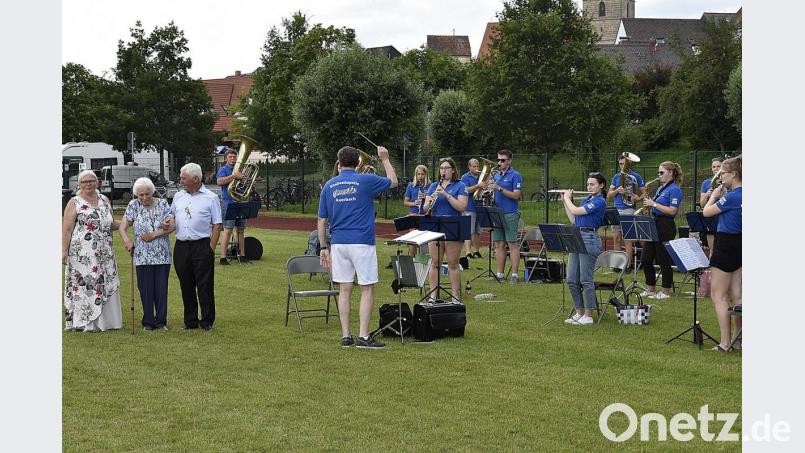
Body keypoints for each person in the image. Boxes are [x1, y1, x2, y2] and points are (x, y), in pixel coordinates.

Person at [318, 145, 397, 349]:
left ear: (339, 162)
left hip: (338, 243)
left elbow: (321, 220)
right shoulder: (365, 179)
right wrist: (385, 159)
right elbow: (394, 182)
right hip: (361, 241)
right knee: (367, 288)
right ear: (357, 162)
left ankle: (346, 336)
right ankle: (363, 336)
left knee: (344, 289)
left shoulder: (329, 185)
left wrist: (323, 247)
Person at [62, 170, 123, 332]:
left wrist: (129, 222)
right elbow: (67, 230)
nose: (88, 184)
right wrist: (63, 251)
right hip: (82, 254)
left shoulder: (104, 200)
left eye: (91, 181)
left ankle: (107, 322)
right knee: (87, 284)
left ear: (97, 183)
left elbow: (110, 224)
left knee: (105, 282)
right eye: (84, 182)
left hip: (105, 252)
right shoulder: (74, 202)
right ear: (79, 185)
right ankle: (86, 322)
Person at [168, 163, 222, 331]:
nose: (181, 180)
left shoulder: (211, 198)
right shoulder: (178, 196)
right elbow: (171, 215)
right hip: (182, 246)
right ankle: (190, 321)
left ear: (195, 179)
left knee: (205, 285)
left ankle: (207, 321)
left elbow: (217, 225)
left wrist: (210, 249)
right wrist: (168, 221)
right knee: (186, 284)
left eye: (184, 178)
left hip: (202, 245)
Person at [119, 177, 174, 331]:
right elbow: (123, 227)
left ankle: (161, 322)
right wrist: (127, 241)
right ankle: (148, 322)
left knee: (161, 289)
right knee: (145, 289)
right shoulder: (133, 205)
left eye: (146, 194)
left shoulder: (162, 204)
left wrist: (155, 234)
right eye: (140, 195)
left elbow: (171, 226)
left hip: (162, 254)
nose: (143, 198)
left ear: (152, 192)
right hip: (142, 256)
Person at [703, 156, 742, 352]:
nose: (721, 177)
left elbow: (707, 212)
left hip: (726, 243)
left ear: (734, 174)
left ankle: (725, 342)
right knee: (737, 296)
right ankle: (738, 340)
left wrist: (713, 196)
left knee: (718, 296)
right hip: (740, 243)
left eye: (723, 173)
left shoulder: (733, 196)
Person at [562, 173, 607, 325]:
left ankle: (588, 315)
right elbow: (574, 219)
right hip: (577, 235)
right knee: (571, 279)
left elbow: (576, 211)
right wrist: (565, 201)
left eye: (592, 184)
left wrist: (568, 200)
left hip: (589, 238)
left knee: (585, 279)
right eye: (588, 184)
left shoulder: (600, 201)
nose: (589, 187)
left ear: (601, 185)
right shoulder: (587, 199)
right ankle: (579, 312)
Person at [424, 157, 469, 302]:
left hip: (453, 225)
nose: (443, 171)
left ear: (453, 170)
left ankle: (455, 295)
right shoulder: (433, 186)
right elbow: (425, 208)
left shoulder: (460, 185)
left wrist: (446, 194)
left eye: (446, 168)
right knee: (435, 262)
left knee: (453, 263)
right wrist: (428, 202)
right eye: (441, 168)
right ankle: (433, 295)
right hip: (435, 225)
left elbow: (461, 207)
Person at [639, 161, 684, 300]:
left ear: (670, 173)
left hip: (665, 225)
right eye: (658, 172)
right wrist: (649, 205)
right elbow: (655, 205)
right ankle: (651, 288)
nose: (658, 175)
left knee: (663, 259)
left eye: (661, 172)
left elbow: (672, 211)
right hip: (655, 223)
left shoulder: (675, 189)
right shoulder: (661, 189)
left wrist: (654, 204)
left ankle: (665, 291)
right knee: (646, 259)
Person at [486, 150, 523, 283]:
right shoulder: (495, 175)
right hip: (496, 212)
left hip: (510, 213)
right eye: (498, 160)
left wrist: (499, 188)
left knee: (512, 243)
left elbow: (516, 195)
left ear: (509, 161)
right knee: (499, 244)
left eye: (502, 160)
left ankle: (514, 275)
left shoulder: (515, 175)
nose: (499, 162)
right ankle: (500, 274)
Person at [607, 154, 645, 270]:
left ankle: (627, 265)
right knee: (616, 238)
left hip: (629, 208)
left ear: (629, 164)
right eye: (620, 164)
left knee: (627, 239)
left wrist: (637, 199)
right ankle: (617, 264)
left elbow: (644, 192)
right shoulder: (616, 177)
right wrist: (617, 191)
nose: (622, 166)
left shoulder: (636, 176)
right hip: (617, 209)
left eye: (624, 163)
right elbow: (609, 195)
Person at [217, 148, 248, 265]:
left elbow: (246, 185)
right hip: (228, 202)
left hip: (240, 202)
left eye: (234, 157)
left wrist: (248, 180)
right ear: (226, 158)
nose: (233, 159)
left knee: (241, 231)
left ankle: (243, 255)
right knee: (228, 230)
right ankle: (223, 257)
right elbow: (219, 181)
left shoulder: (241, 170)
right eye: (230, 157)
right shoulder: (223, 169)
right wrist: (234, 176)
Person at [402, 164, 430, 255]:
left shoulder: (430, 186)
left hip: (425, 214)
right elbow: (405, 202)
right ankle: (411, 261)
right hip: (414, 214)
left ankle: (423, 263)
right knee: (413, 240)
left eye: (422, 174)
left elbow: (434, 201)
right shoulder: (411, 186)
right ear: (416, 175)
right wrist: (414, 203)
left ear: (426, 175)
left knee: (424, 240)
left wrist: (427, 197)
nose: (420, 176)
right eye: (418, 174)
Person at [699, 157, 724, 257]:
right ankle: (713, 270)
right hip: (711, 217)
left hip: (723, 216)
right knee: (712, 250)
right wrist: (707, 195)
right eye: (714, 167)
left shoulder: (728, 181)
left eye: (718, 166)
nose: (716, 169)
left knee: (723, 248)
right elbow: (702, 204)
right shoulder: (706, 183)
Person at [460, 158, 484, 259]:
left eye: (478, 166)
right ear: (469, 167)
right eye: (474, 166)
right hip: (469, 206)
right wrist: (478, 185)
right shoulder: (465, 177)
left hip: (480, 206)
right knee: (469, 231)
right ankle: (468, 252)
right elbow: (466, 190)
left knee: (478, 231)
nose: (476, 168)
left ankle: (476, 251)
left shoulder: (482, 177)